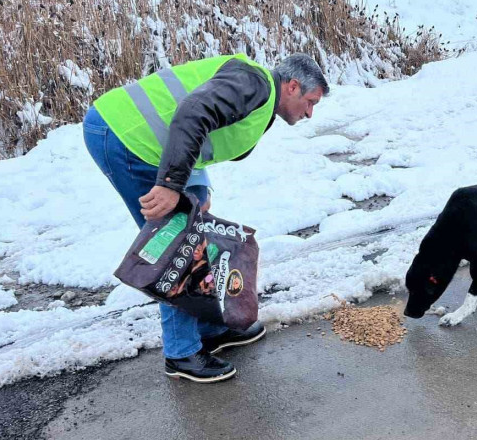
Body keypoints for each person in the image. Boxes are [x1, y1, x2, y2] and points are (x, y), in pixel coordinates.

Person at [83, 53, 329, 383]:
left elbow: (203, 129)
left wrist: (197, 184)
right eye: (310, 102)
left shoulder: (259, 95)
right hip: (126, 136)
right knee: (176, 245)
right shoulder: (254, 84)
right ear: (293, 86)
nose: (310, 113)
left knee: (192, 229)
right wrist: (171, 185)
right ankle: (181, 353)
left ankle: (209, 329)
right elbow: (192, 114)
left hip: (141, 138)